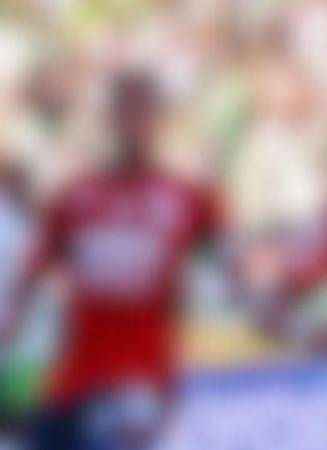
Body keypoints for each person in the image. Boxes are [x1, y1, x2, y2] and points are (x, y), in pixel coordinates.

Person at [1, 73, 224, 449]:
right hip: (73, 382)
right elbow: (29, 275)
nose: (133, 124)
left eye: (142, 112)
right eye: (125, 111)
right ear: (110, 119)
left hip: (141, 385)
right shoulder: (76, 199)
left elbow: (239, 273)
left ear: (159, 121)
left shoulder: (187, 198)